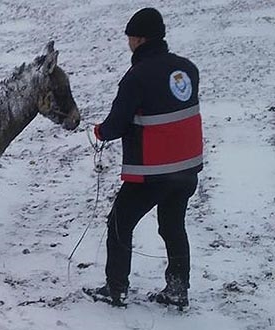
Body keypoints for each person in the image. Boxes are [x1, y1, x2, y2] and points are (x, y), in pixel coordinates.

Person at [83, 7, 203, 308]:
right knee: (173, 226)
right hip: (187, 170)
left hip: (153, 172)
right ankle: (177, 289)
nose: (128, 43)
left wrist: (99, 131)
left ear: (138, 39)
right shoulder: (187, 69)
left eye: (130, 38)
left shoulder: (136, 77)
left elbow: (115, 125)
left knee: (120, 224)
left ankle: (116, 288)